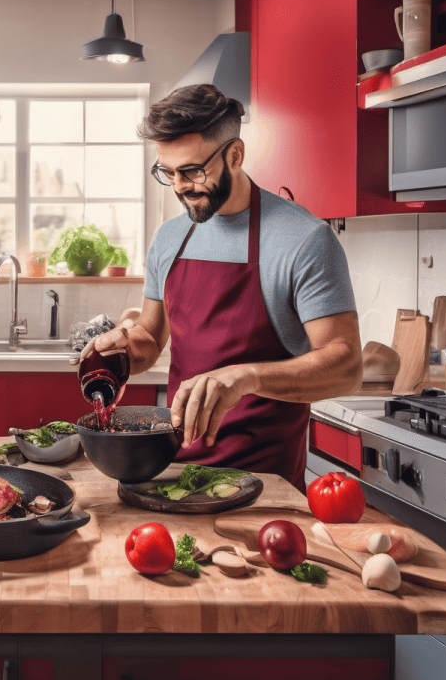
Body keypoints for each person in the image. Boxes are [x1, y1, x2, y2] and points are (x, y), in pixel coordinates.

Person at [74, 84, 363, 493]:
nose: (180, 186)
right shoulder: (169, 238)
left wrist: (245, 377)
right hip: (172, 472)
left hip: (263, 483)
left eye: (192, 171)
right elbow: (150, 338)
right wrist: (120, 346)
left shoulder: (304, 239)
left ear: (235, 155)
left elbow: (347, 366)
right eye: (167, 173)